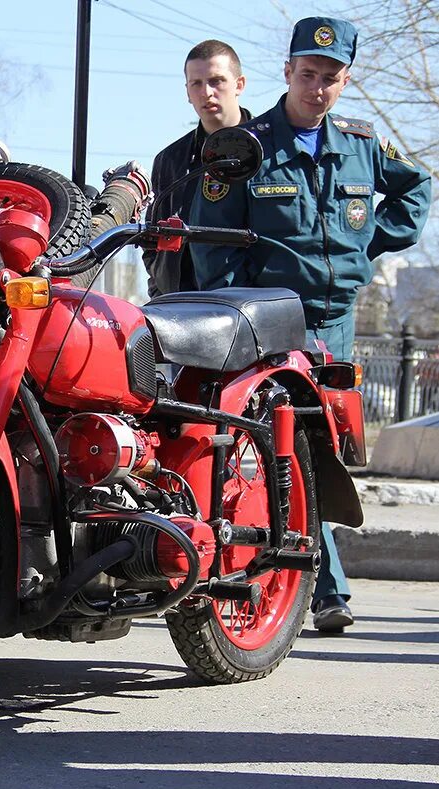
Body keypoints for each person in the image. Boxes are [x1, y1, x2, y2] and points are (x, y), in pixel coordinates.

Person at [191, 17, 432, 632]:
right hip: (273, 322)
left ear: (344, 80)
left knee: (325, 450)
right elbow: (211, 243)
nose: (317, 87)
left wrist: (367, 246)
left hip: (338, 321)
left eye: (330, 78)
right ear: (287, 72)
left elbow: (415, 189)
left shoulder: (361, 144)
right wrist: (235, 313)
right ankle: (318, 587)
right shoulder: (245, 146)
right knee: (280, 446)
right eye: (307, 74)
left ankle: (311, 582)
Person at [142, 40, 252, 297]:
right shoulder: (170, 159)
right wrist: (162, 287)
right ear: (187, 91)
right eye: (197, 84)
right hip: (181, 306)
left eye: (217, 81)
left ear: (239, 85)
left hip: (248, 308)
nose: (207, 92)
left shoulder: (269, 150)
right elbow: (152, 239)